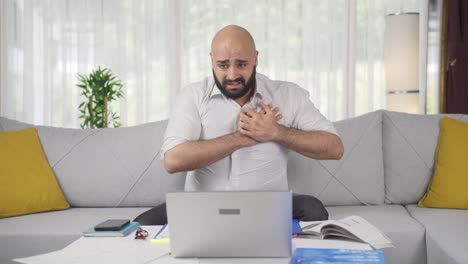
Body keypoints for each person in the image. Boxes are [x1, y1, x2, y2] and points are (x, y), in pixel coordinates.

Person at [134, 25, 343, 224]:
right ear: (211, 60)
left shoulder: (288, 95)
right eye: (223, 65)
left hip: (269, 206)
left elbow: (334, 147)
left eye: (241, 64)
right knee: (142, 224)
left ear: (255, 59)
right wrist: (242, 137)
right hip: (202, 206)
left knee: (313, 209)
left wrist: (276, 132)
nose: (232, 75)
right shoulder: (193, 96)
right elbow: (173, 160)